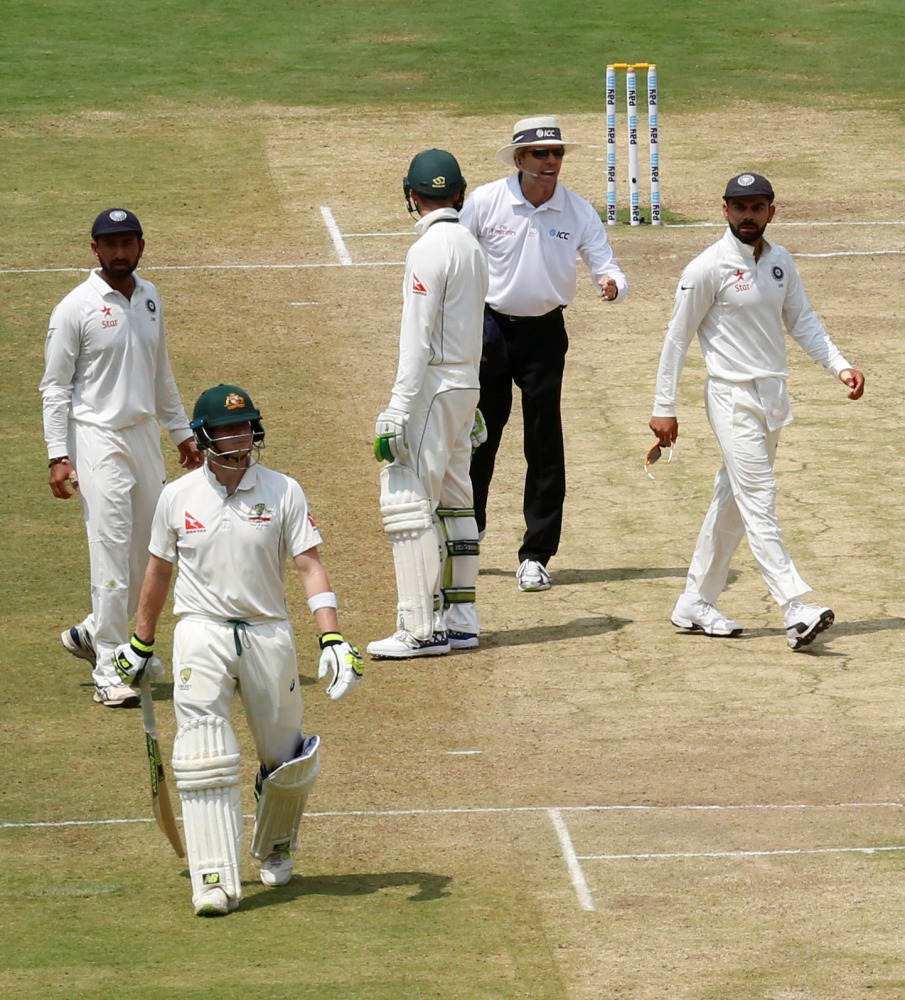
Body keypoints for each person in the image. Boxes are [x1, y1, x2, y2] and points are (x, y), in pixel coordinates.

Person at [113, 383, 363, 916]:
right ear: (203, 437)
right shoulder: (177, 498)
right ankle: (213, 879)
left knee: (284, 755)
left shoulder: (283, 490)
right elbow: (158, 573)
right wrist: (140, 641)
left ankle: (275, 844)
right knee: (204, 752)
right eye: (228, 428)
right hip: (200, 630)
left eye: (246, 425)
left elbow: (309, 564)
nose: (240, 436)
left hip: (267, 630)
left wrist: (332, 634)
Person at [648, 172, 865, 650]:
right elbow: (676, 339)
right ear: (724, 211)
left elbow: (802, 321)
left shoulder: (780, 262)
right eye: (739, 207)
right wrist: (664, 407)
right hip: (729, 396)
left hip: (771, 398)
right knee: (759, 497)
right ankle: (794, 608)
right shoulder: (706, 268)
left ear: (772, 211)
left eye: (757, 207)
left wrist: (840, 366)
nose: (749, 216)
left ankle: (695, 602)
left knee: (732, 503)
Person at [39, 208, 203, 708]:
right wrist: (58, 455)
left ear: (141, 246)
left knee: (152, 549)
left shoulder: (150, 297)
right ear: (94, 250)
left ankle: (96, 631)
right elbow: (54, 387)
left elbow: (161, 374)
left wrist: (179, 432)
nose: (119, 252)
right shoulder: (76, 308)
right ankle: (111, 663)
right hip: (95, 438)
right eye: (110, 244)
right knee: (110, 548)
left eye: (127, 242)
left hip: (142, 438)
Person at [459, 116, 628, 592]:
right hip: (490, 330)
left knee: (544, 443)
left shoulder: (576, 210)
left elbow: (604, 259)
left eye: (556, 154)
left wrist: (611, 283)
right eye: (541, 154)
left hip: (545, 335)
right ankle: (469, 530)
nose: (551, 162)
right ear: (519, 159)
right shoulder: (487, 202)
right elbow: (454, 252)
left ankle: (536, 553)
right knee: (480, 436)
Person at [368, 149, 489, 659]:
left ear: (412, 196)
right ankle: (460, 619)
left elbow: (416, 339)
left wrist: (398, 406)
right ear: (458, 194)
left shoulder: (427, 250)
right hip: (464, 384)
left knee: (408, 499)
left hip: (435, 386)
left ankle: (419, 628)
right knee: (456, 500)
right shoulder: (471, 244)